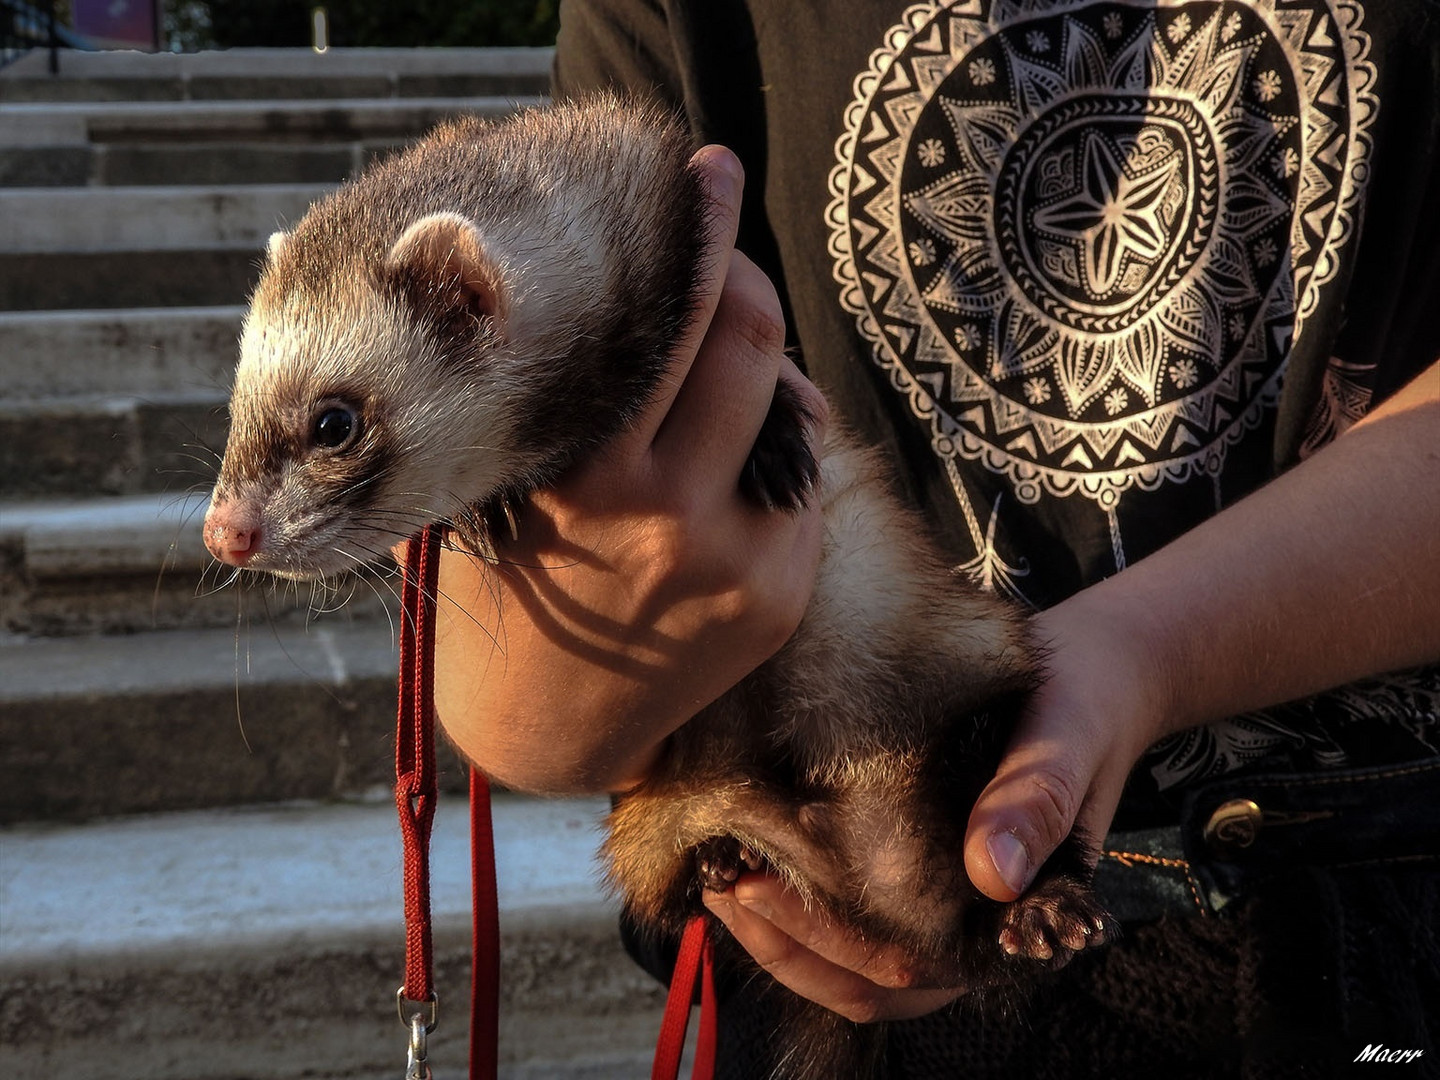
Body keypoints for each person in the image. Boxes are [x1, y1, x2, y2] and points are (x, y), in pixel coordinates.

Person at [431, 1, 1440, 1074]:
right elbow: (518, 710)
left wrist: (1143, 650)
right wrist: (569, 675)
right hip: (820, 882)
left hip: (1381, 897)